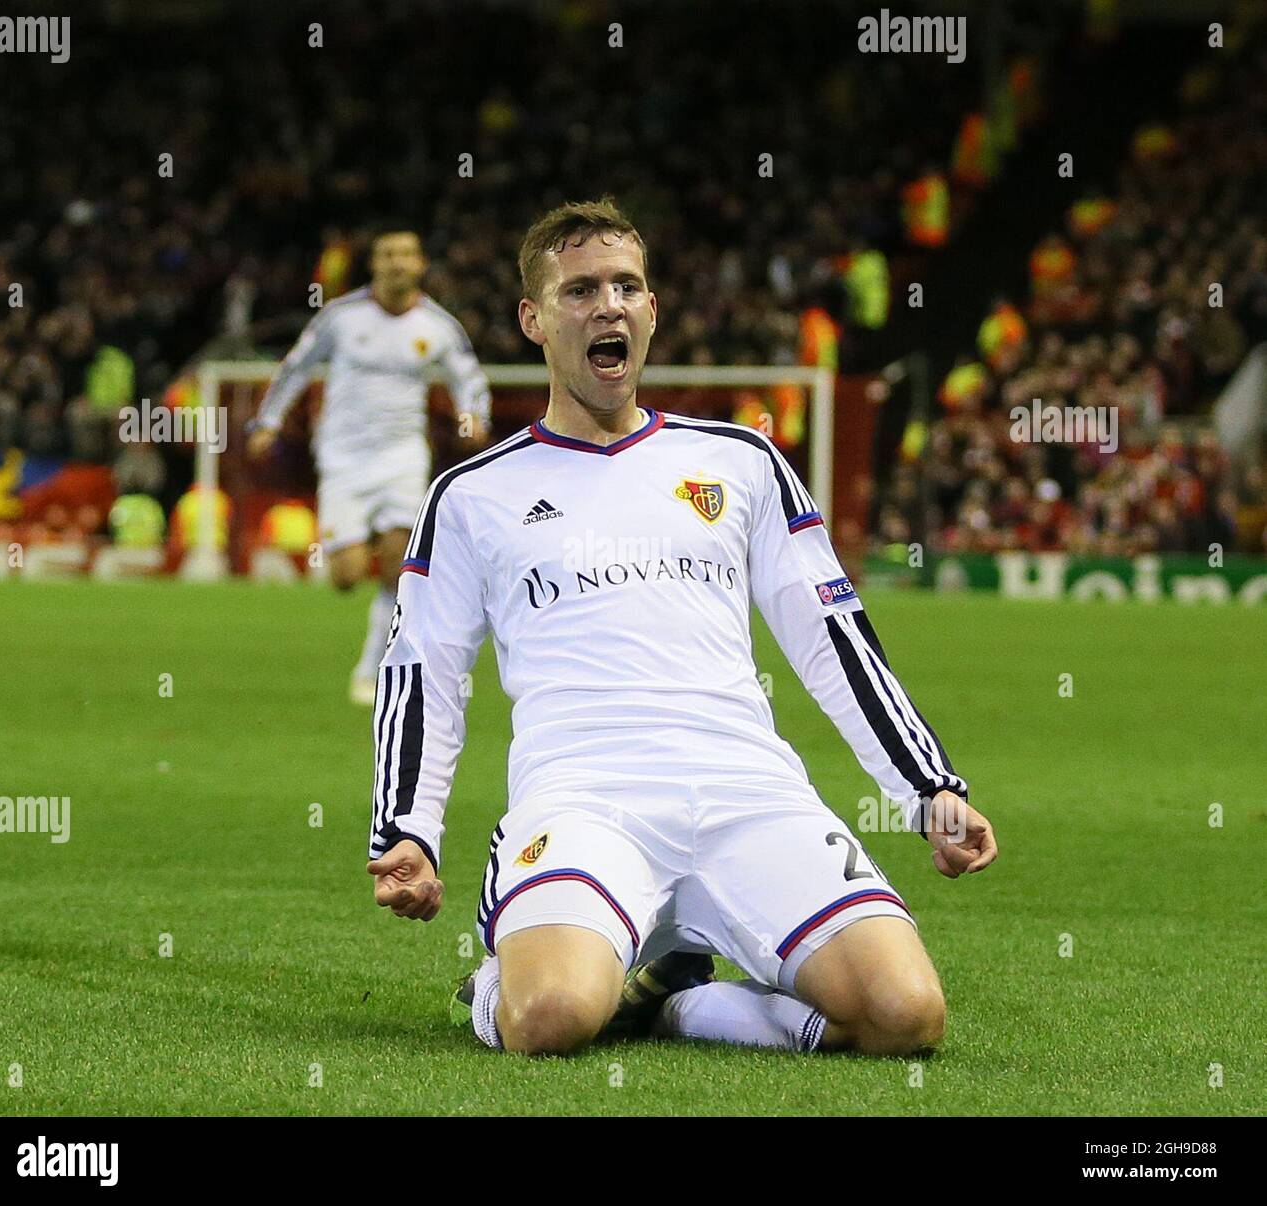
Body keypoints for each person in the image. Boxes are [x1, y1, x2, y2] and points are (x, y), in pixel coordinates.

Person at [366, 198, 996, 1057]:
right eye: (580, 290)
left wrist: (926, 787)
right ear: (534, 320)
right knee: (548, 1020)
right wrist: (406, 828)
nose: (609, 306)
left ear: (652, 310)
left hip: (749, 792)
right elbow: (422, 671)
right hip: (584, 797)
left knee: (904, 1014)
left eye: (627, 287)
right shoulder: (473, 495)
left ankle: (676, 1003)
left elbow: (832, 639)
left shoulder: (739, 462)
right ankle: (497, 985)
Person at [248, 228, 491, 704]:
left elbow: (469, 377)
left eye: (406, 254)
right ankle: (377, 645)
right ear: (374, 264)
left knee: (399, 566)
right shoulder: (341, 317)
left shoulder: (438, 325)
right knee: (345, 574)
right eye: (387, 255)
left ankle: (372, 669)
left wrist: (473, 417)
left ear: (420, 264)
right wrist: (267, 421)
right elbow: (296, 366)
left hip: (402, 454)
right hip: (342, 457)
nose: (397, 263)